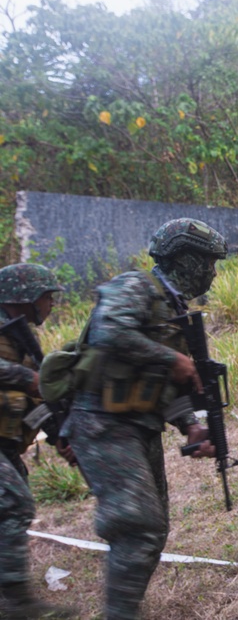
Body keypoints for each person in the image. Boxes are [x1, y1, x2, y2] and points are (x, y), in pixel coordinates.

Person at [61, 218, 227, 619]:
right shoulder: (134, 286)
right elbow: (109, 333)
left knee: (153, 531)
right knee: (139, 528)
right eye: (208, 261)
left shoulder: (173, 310)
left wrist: (191, 425)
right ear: (186, 259)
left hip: (139, 428)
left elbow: (165, 384)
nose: (212, 271)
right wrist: (173, 358)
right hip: (101, 422)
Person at [0, 263, 78, 619]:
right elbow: (25, 382)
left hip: (6, 445)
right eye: (47, 297)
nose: (50, 304)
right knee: (14, 504)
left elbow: (34, 401)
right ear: (23, 299)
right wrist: (26, 378)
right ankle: (17, 606)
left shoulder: (19, 340)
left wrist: (59, 434)